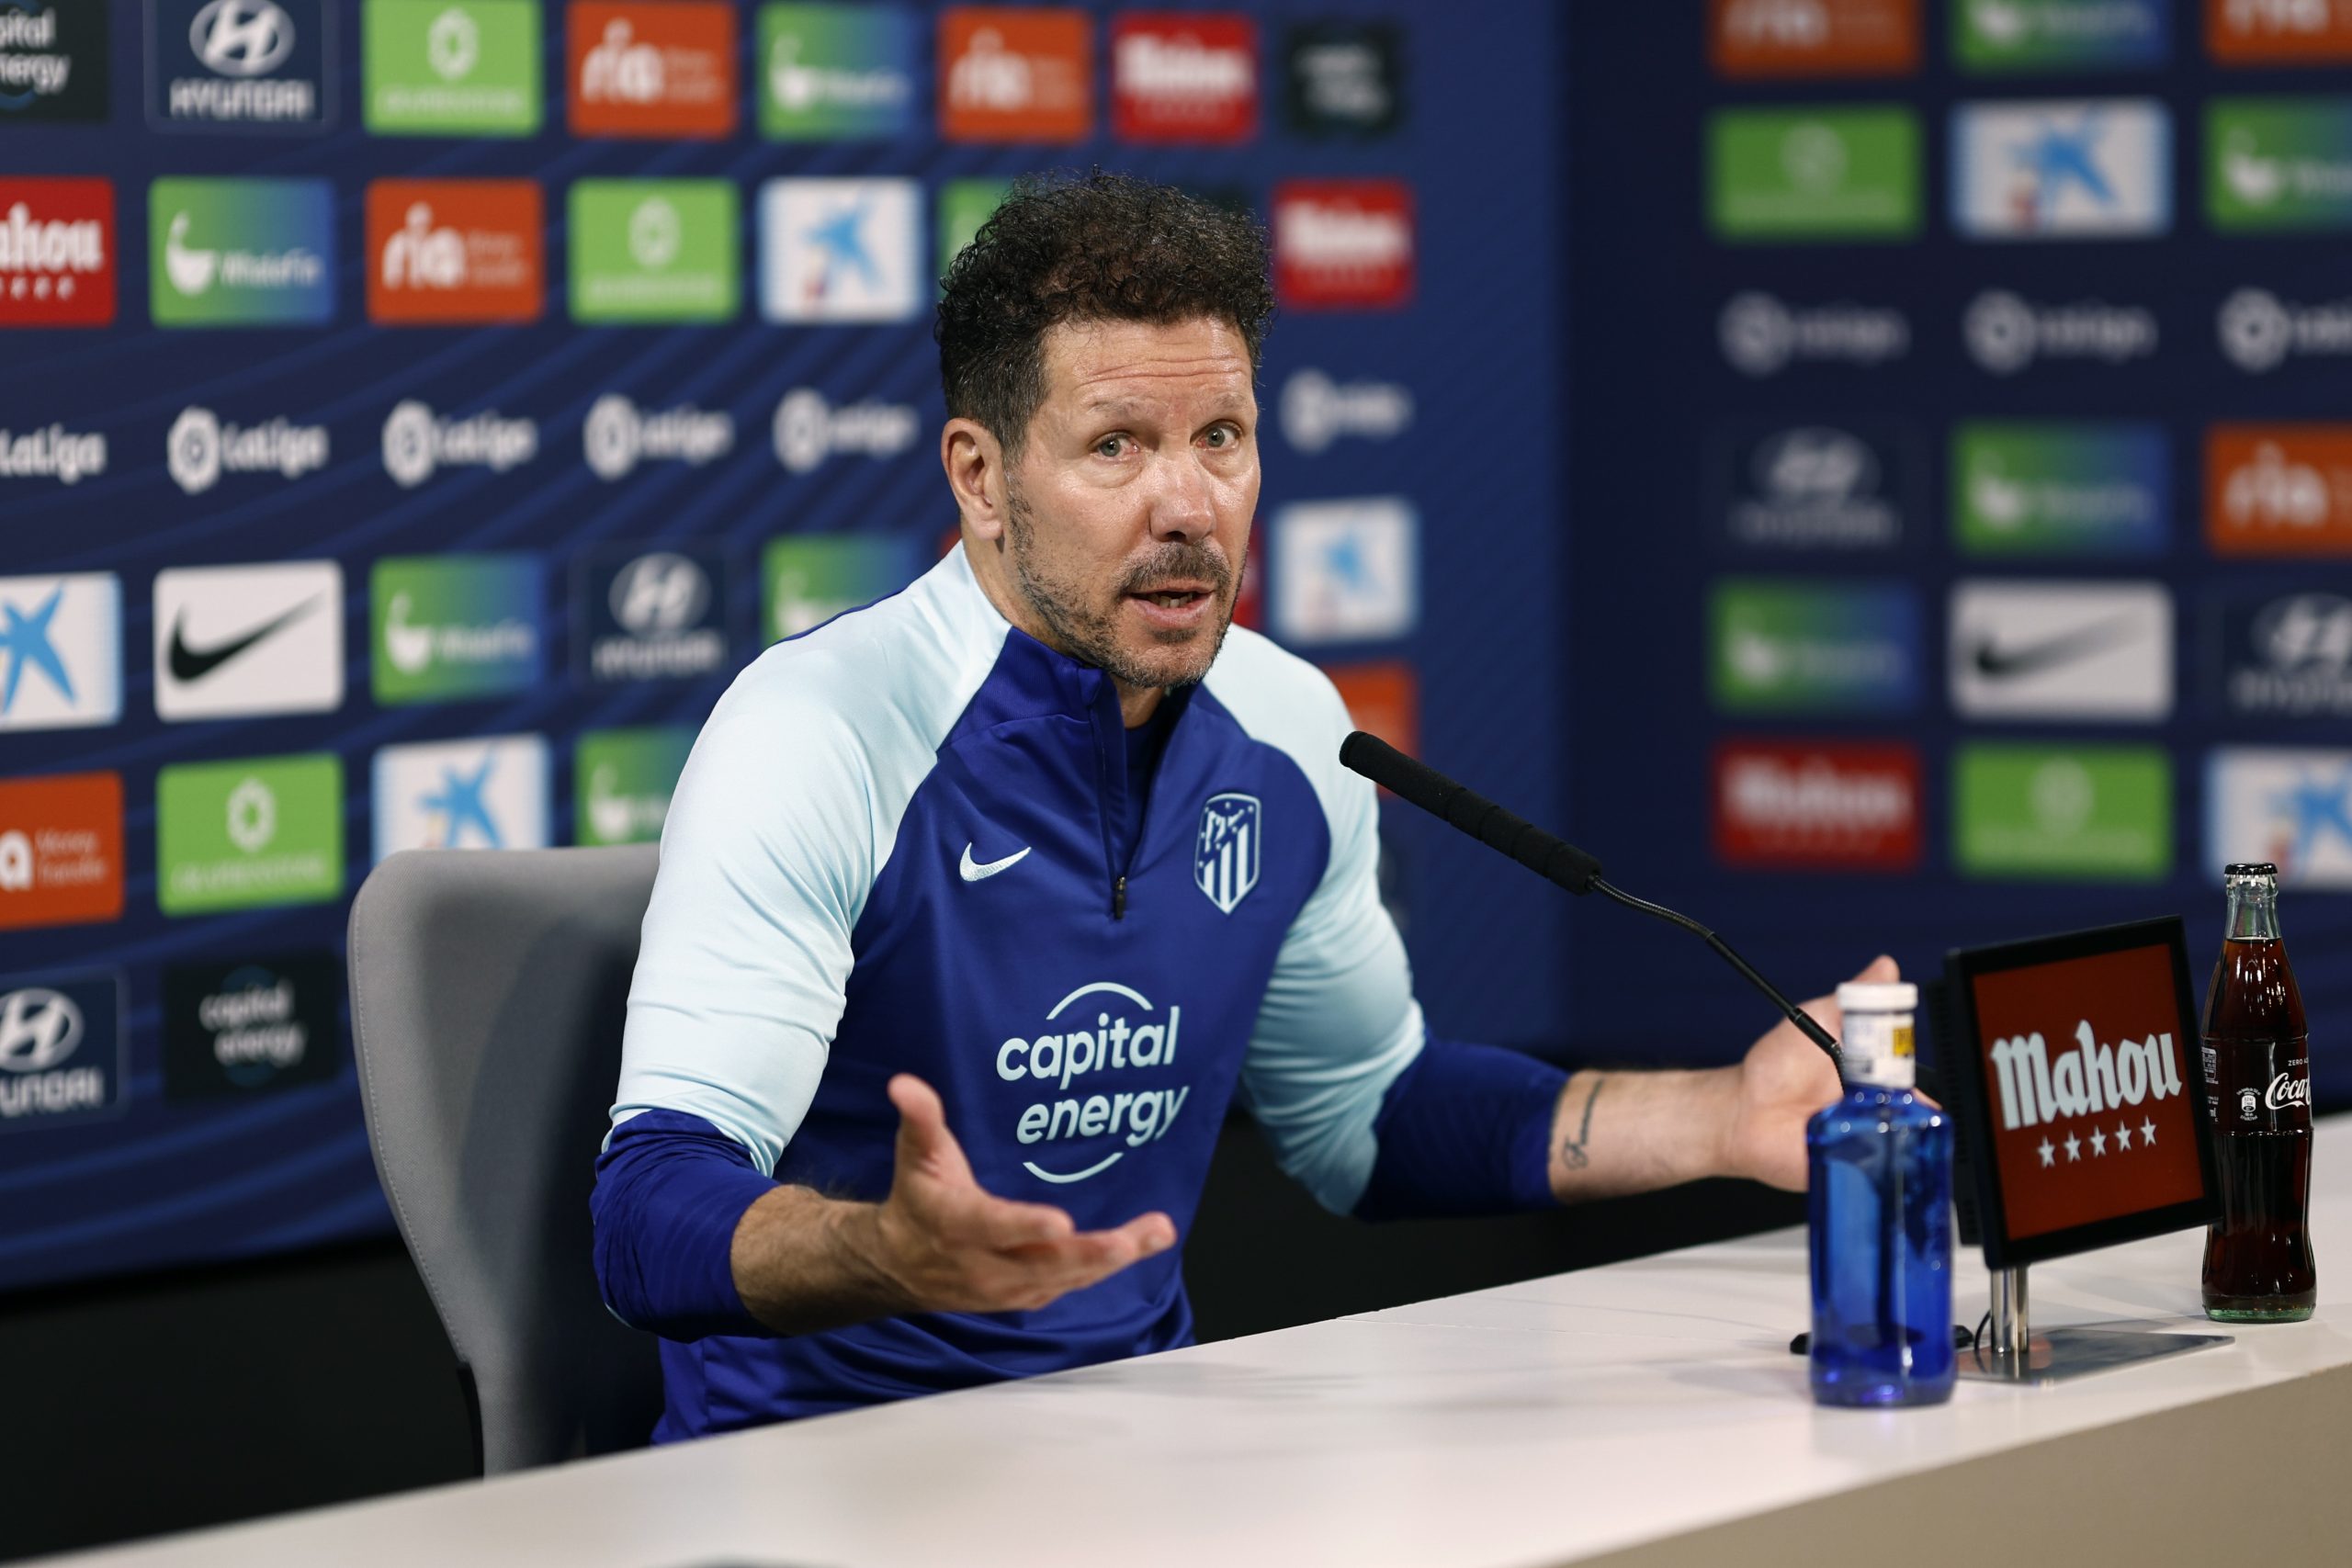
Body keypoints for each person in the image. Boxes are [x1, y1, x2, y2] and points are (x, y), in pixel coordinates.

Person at [591, 172, 1894, 1441]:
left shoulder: (1289, 726)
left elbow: (1370, 1118)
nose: (1190, 506)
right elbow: (645, 1210)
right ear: (980, 479)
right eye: (1116, 446)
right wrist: (885, 1252)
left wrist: (1721, 1115)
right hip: (824, 1468)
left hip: (1147, 1463)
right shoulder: (818, 733)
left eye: (1220, 437)